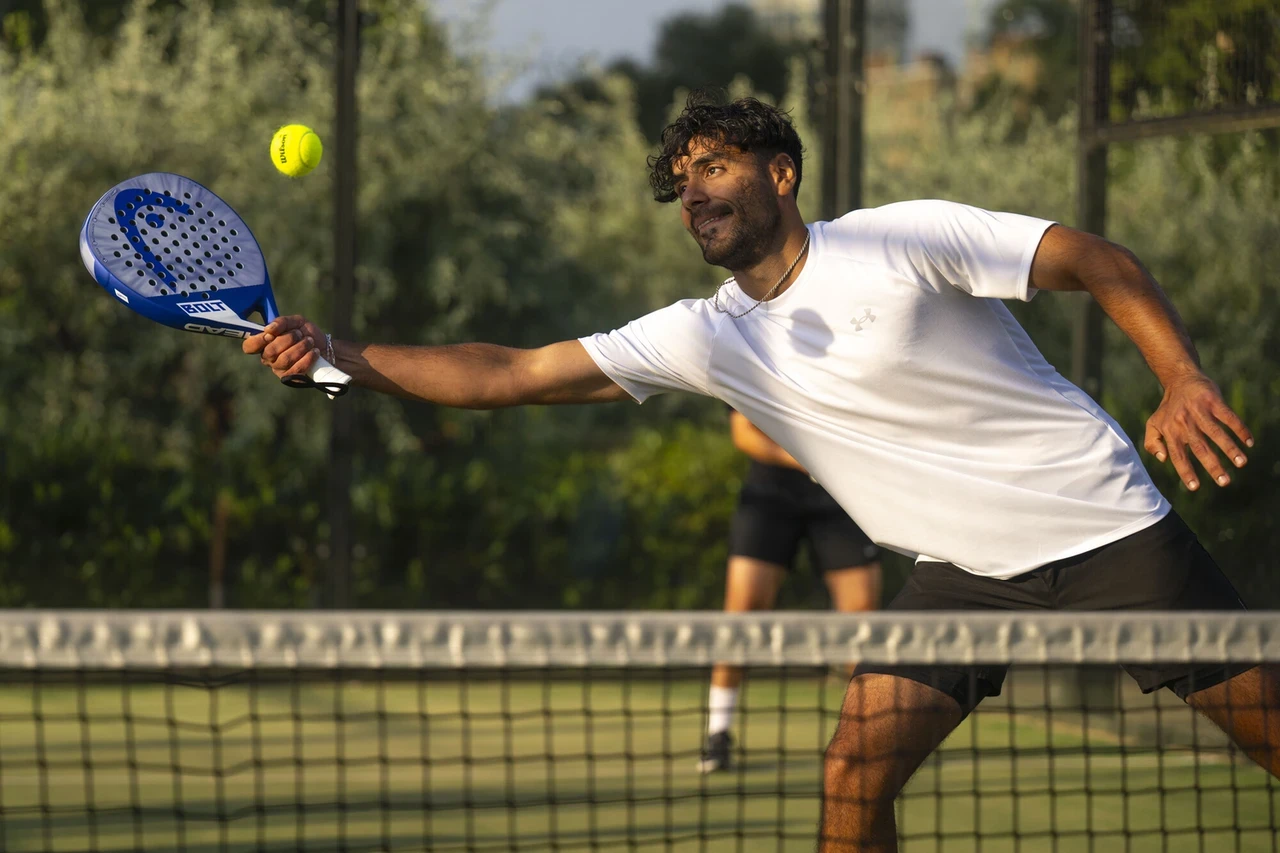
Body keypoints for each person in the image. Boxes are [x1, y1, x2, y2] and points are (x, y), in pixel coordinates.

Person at [246, 93, 1278, 852]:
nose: (692, 190)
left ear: (779, 173)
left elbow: (1096, 257)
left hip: (1099, 527)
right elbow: (509, 373)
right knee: (851, 770)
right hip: (962, 573)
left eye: (714, 166)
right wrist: (339, 356)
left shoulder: (901, 238)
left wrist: (1178, 376)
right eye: (680, 179)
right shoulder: (705, 336)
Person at [700, 408, 881, 774]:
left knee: (861, 617)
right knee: (743, 611)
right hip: (770, 496)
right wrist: (807, 461)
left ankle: (868, 735)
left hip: (839, 496)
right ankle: (718, 732)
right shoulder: (760, 351)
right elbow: (744, 433)